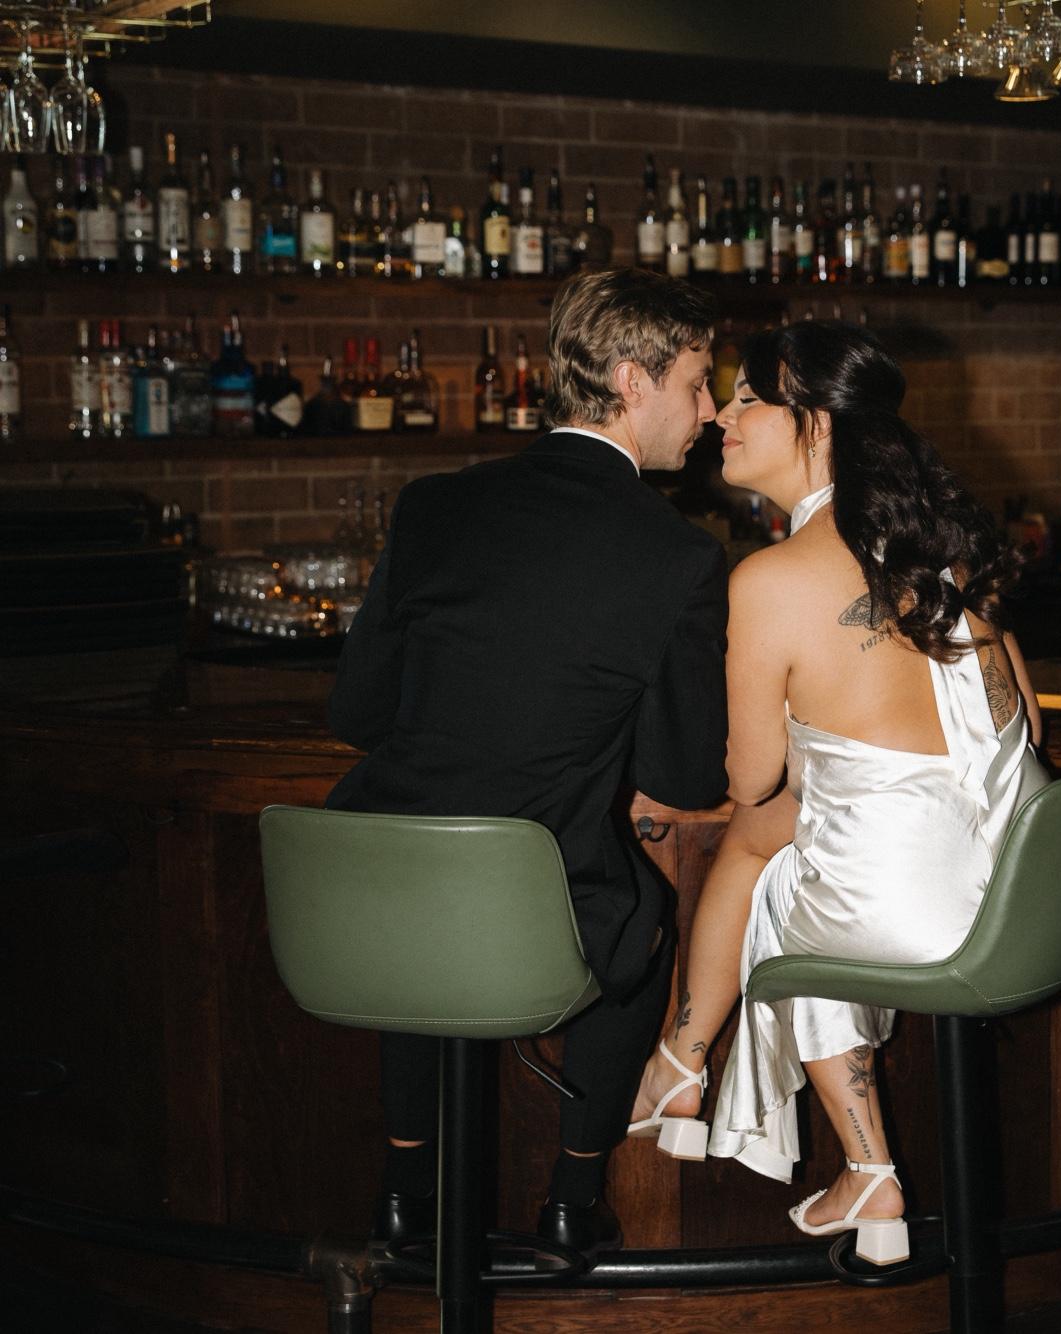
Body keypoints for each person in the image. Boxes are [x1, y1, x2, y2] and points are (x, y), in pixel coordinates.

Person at [326, 267, 728, 1259]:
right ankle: (571, 1198)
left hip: (359, 892)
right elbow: (683, 779)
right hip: (531, 904)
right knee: (642, 916)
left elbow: (358, 712)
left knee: (421, 901)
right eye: (697, 383)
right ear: (632, 381)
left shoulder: (433, 505)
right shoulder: (676, 555)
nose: (710, 412)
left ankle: (403, 1190)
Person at [629, 321, 1048, 1265]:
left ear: (815, 422)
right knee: (784, 843)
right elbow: (1023, 723)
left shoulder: (772, 578)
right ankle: (705, 1081)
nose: (721, 416)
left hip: (928, 909)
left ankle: (710, 1079)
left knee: (779, 867)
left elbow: (747, 778)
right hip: (1031, 887)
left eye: (747, 398)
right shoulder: (939, 554)